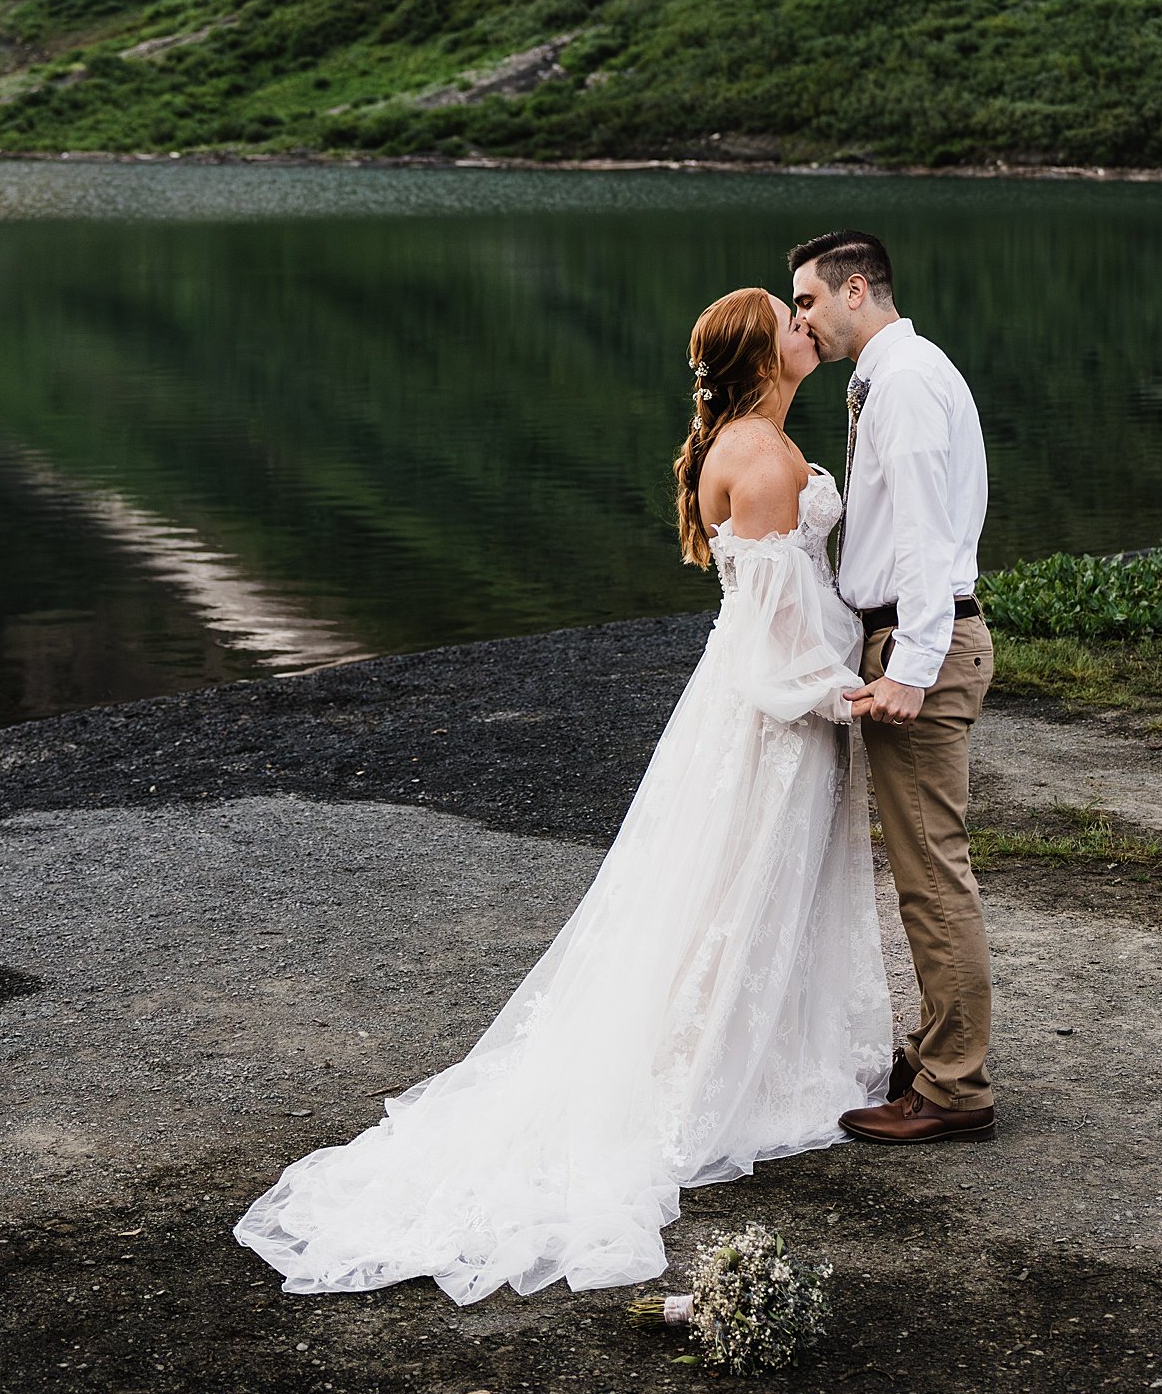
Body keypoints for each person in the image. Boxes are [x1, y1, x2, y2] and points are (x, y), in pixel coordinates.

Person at [233, 287, 889, 1305]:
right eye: (788, 318)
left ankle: (756, 1053)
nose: (808, 325)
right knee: (737, 885)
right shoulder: (762, 458)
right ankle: (730, 1070)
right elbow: (777, 628)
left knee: (730, 888)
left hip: (753, 707)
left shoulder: (757, 439)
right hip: (771, 716)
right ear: (763, 353)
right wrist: (839, 693)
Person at [788, 229, 996, 1143]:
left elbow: (918, 532)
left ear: (856, 288)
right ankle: (933, 1056)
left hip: (925, 647)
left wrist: (910, 665)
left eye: (806, 300)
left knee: (931, 878)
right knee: (923, 871)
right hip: (913, 637)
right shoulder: (896, 370)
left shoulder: (905, 379)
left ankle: (955, 1089)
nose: (802, 318)